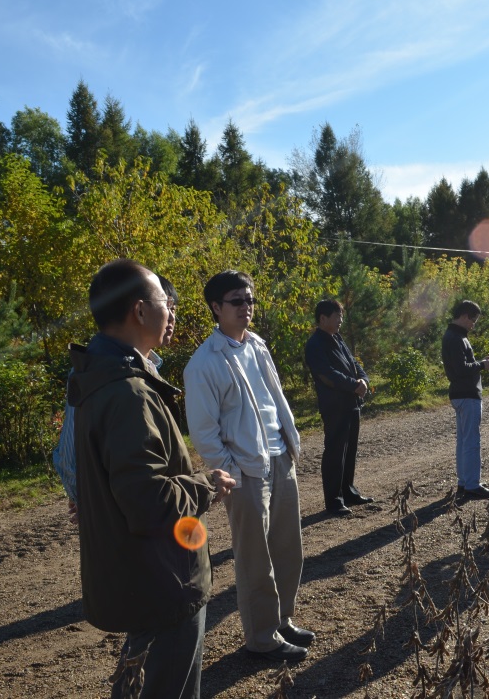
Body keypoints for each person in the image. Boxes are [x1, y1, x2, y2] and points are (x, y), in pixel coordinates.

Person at [68, 259, 235, 698]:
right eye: (164, 301)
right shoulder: (127, 392)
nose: (170, 311)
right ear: (140, 311)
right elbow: (148, 500)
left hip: (143, 576)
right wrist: (207, 484)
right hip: (162, 581)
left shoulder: (98, 376)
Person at [184, 270, 313, 663]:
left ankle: (282, 620)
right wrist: (232, 473)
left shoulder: (257, 345)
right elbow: (204, 433)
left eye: (250, 299)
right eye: (237, 301)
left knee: (289, 549)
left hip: (279, 459)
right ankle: (261, 638)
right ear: (216, 307)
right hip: (245, 472)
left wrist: (289, 448)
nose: (247, 307)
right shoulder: (204, 363)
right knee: (256, 560)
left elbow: (274, 400)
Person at [53, 276, 178, 525]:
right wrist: (88, 499)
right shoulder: (101, 372)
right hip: (129, 523)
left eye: (174, 309)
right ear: (140, 311)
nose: (172, 318)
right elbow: (70, 450)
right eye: (167, 307)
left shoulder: (150, 368)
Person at [304, 299, 373, 516]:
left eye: (341, 315)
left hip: (351, 403)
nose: (341, 319)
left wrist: (363, 380)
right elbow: (327, 375)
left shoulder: (338, 339)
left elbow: (355, 364)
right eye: (337, 316)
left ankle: (348, 491)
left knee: (349, 451)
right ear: (323, 319)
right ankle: (333, 500)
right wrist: (354, 385)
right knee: (335, 451)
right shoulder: (315, 344)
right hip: (335, 406)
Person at [441, 300, 489, 500]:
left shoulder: (454, 336)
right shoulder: (456, 338)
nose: (473, 324)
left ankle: (464, 482)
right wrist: (482, 365)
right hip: (467, 394)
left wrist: (480, 363)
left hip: (461, 394)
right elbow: (461, 369)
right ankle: (472, 484)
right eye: (473, 320)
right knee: (471, 441)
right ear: (465, 316)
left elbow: (462, 365)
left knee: (463, 441)